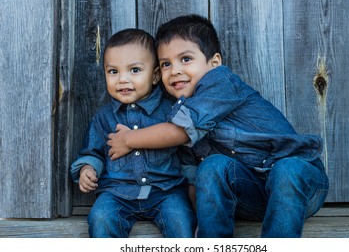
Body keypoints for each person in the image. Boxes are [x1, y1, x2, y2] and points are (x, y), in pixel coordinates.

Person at [107, 15, 329, 238]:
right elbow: (193, 177)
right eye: (166, 64)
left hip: (301, 188)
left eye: (185, 59)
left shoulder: (220, 82)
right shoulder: (177, 110)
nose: (174, 70)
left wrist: (129, 139)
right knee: (212, 165)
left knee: (286, 169)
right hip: (252, 197)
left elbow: (180, 132)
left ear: (214, 63)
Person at [70, 28, 196, 238]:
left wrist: (192, 182)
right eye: (113, 72)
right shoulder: (104, 117)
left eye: (134, 70)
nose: (123, 79)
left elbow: (186, 152)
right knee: (100, 217)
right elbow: (93, 151)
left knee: (180, 218)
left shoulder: (170, 111)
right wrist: (87, 169)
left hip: (166, 191)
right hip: (117, 193)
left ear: (155, 75)